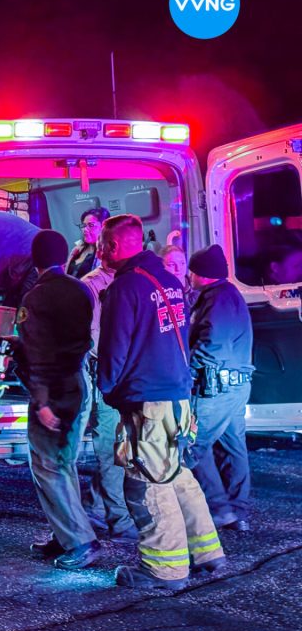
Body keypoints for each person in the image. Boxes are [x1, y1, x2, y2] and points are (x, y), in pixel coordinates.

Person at [97, 214, 225, 589]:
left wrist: (106, 387)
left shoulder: (125, 288)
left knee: (148, 482)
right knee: (177, 473)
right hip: (178, 398)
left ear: (115, 245)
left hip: (147, 401)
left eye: (104, 244)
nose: (100, 251)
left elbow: (114, 347)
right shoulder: (169, 281)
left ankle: (164, 569)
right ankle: (206, 551)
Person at [13, 230, 101, 569]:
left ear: (34, 261)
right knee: (64, 464)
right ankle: (63, 534)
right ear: (65, 257)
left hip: (53, 388)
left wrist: (42, 401)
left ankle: (80, 541)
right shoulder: (82, 289)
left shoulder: (36, 297)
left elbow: (39, 353)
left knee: (48, 466)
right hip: (78, 382)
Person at [183, 245, 254, 531]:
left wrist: (185, 371)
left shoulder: (218, 300)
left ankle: (219, 508)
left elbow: (212, 346)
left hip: (217, 390)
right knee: (232, 446)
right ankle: (238, 511)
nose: (189, 275)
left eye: (192, 270)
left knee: (193, 445)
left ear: (203, 274)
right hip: (234, 387)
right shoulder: (226, 295)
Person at [79, 247, 137, 543]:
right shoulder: (92, 284)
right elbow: (91, 337)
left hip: (125, 374)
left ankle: (94, 505)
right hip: (107, 373)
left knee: (119, 445)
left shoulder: (131, 280)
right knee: (112, 446)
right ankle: (119, 520)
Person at [66, 207, 110, 279]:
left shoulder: (106, 254)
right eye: (84, 226)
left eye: (91, 225)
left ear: (103, 227)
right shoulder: (77, 250)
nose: (85, 230)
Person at [159, 244, 198, 310]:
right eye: (172, 264)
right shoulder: (155, 296)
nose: (178, 268)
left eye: (182, 263)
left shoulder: (197, 291)